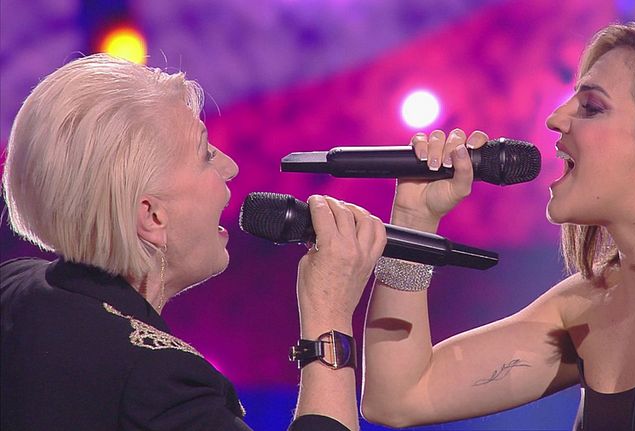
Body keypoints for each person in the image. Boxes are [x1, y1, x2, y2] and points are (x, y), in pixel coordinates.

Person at [361, 23, 635, 430]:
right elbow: (397, 397)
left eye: (591, 107)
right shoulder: (586, 304)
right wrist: (414, 221)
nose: (555, 118)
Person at [0, 54, 386, 431]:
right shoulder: (158, 381)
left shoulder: (14, 285)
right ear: (152, 216)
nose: (230, 167)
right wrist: (329, 314)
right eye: (205, 154)